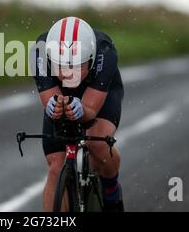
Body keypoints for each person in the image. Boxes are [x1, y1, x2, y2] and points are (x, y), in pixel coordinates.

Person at [32, 16, 124, 212]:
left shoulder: (105, 52)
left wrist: (83, 110)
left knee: (97, 143)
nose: (67, 74)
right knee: (56, 166)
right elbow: (52, 98)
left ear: (90, 59)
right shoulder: (39, 51)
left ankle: (111, 190)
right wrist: (54, 107)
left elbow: (90, 111)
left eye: (75, 65)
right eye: (60, 66)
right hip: (62, 93)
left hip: (97, 91)